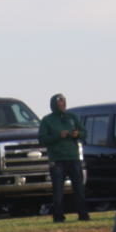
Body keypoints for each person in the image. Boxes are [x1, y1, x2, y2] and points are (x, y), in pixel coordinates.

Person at [38, 93, 90, 222]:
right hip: (57, 160)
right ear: (54, 105)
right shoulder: (47, 120)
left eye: (63, 103)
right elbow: (42, 139)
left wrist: (77, 134)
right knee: (58, 190)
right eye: (59, 104)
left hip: (74, 158)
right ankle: (58, 216)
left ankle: (83, 214)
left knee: (79, 188)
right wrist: (58, 136)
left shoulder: (72, 117)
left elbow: (84, 133)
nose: (62, 105)